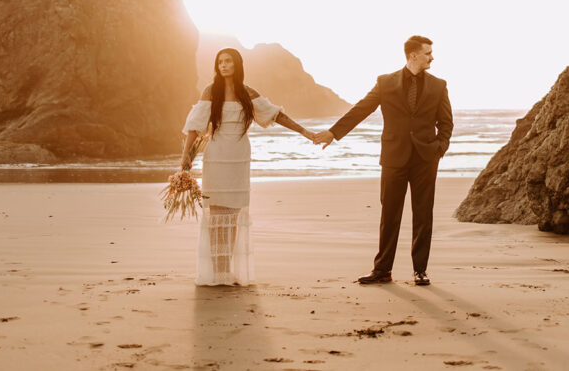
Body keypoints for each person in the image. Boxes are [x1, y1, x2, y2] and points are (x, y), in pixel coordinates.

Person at [314, 35, 452, 286]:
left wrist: (438, 149)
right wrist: (334, 133)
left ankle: (420, 270)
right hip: (393, 158)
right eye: (428, 53)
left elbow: (446, 123)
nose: (432, 57)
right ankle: (382, 270)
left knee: (423, 214)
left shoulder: (438, 85)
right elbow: (362, 108)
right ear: (413, 55)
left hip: (425, 159)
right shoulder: (385, 82)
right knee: (389, 215)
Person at [180, 48, 316, 286]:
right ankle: (217, 271)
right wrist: (186, 157)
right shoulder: (211, 92)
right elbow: (195, 125)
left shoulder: (248, 93)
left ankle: (227, 269)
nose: (223, 66)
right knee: (215, 215)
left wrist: (305, 132)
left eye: (228, 61)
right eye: (220, 62)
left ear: (237, 64)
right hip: (217, 157)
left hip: (239, 158)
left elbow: (275, 115)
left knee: (233, 215)